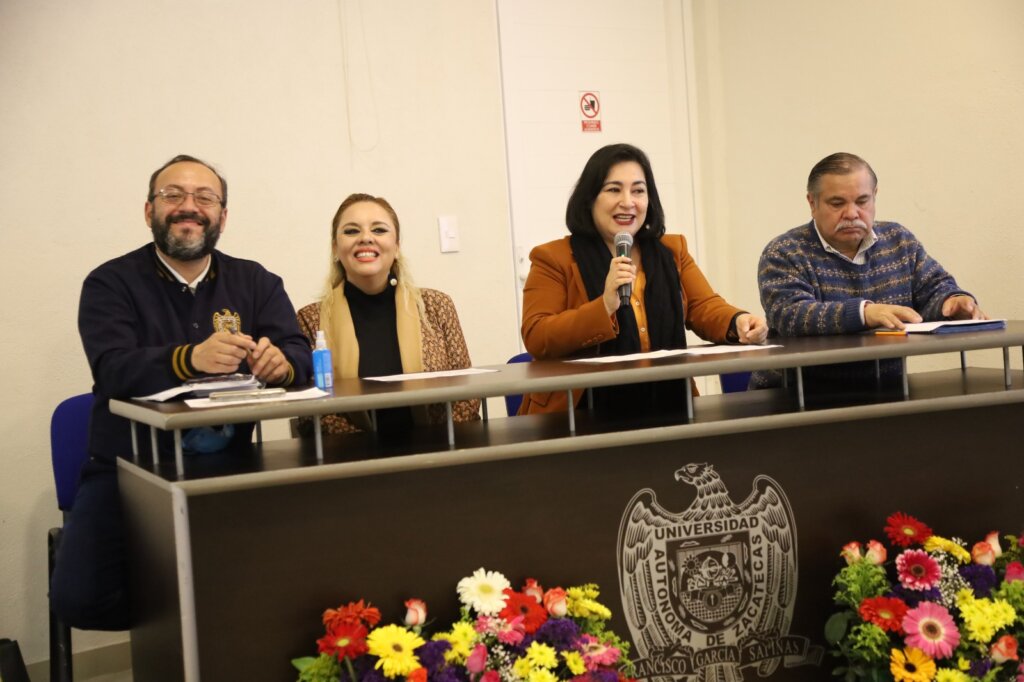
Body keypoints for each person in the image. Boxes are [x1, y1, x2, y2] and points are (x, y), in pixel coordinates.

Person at [51, 154, 312, 630]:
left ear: (222, 217)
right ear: (149, 210)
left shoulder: (256, 281)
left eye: (204, 198)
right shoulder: (110, 282)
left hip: (229, 466)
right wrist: (189, 359)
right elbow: (112, 369)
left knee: (285, 574)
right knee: (80, 598)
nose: (189, 207)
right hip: (127, 468)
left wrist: (283, 366)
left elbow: (299, 352)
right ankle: (177, 630)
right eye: (173, 195)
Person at [519, 143, 767, 416]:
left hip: (668, 400)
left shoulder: (672, 250)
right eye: (614, 190)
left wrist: (737, 320)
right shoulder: (553, 258)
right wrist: (604, 306)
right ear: (589, 199)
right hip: (578, 412)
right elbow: (537, 335)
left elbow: (704, 307)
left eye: (638, 191)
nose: (628, 202)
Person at [753, 151, 986, 388]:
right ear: (812, 203)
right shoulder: (784, 252)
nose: (852, 213)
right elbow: (791, 315)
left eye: (862, 201)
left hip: (887, 389)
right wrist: (864, 313)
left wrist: (952, 301)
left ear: (875, 196)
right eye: (837, 203)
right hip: (797, 394)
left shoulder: (899, 240)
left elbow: (933, 287)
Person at [296, 193, 479, 434]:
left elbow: (467, 392)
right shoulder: (310, 319)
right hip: (353, 453)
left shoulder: (436, 306)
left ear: (397, 246)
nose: (365, 238)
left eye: (379, 230)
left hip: (439, 447)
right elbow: (312, 410)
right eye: (351, 231)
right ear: (335, 249)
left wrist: (435, 445)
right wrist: (370, 449)